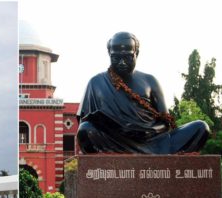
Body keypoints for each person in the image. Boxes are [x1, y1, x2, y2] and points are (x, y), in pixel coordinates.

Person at [76, 32, 210, 154]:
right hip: (114, 140)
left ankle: (165, 162)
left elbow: (166, 121)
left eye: (127, 57)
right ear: (109, 54)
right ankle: (111, 163)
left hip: (153, 141)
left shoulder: (150, 81)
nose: (122, 63)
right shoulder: (96, 83)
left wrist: (145, 131)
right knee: (84, 130)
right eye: (116, 58)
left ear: (136, 53)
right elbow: (84, 120)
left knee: (200, 128)